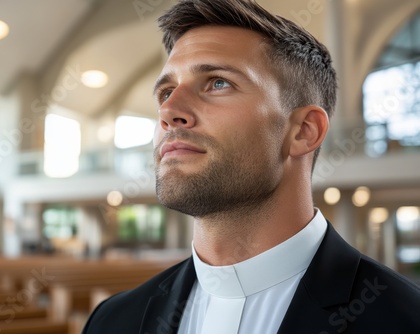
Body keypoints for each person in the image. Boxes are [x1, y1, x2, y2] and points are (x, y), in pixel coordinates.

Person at [82, 0, 420, 333]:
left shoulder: (404, 320)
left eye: (218, 82)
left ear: (304, 131)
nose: (169, 112)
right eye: (166, 91)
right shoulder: (112, 321)